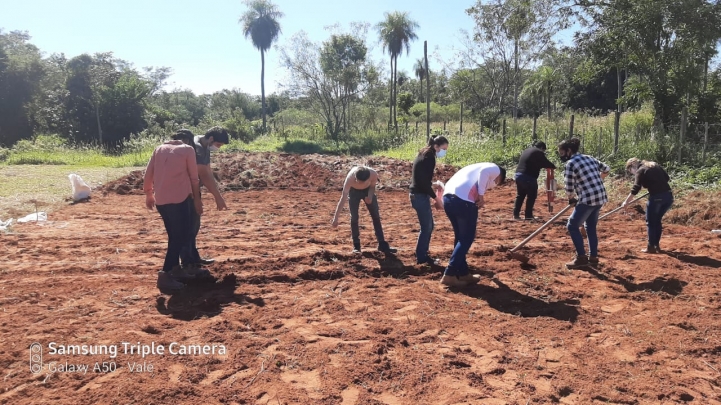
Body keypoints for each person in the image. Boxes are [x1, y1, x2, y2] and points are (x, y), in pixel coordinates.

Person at [143, 130, 206, 292]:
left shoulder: (158, 149)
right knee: (181, 236)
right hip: (180, 200)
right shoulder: (187, 150)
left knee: (174, 235)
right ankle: (165, 274)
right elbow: (194, 178)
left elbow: (148, 174)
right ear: (186, 140)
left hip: (161, 201)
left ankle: (176, 269)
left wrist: (149, 194)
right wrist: (197, 201)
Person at [440, 163, 506, 287]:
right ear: (500, 177)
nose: (494, 184)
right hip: (462, 200)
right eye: (497, 182)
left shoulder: (472, 170)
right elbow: (485, 172)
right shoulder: (494, 168)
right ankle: (449, 274)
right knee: (466, 239)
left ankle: (463, 272)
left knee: (460, 237)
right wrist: (481, 195)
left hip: (449, 199)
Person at [557, 138, 610, 269]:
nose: (561, 156)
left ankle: (581, 258)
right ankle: (593, 257)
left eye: (562, 152)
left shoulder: (571, 163)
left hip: (588, 199)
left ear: (569, 150)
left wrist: (571, 198)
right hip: (600, 196)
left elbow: (568, 186)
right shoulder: (589, 157)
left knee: (572, 225)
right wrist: (597, 180)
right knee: (590, 227)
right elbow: (606, 169)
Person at [184, 126, 230, 269]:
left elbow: (208, 171)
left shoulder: (204, 145)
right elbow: (202, 175)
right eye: (218, 145)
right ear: (211, 139)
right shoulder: (196, 147)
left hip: (193, 187)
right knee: (188, 226)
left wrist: (217, 194)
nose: (218, 148)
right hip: (184, 190)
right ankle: (187, 262)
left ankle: (193, 258)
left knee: (194, 224)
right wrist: (217, 197)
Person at [331, 166, 397, 254]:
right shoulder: (350, 178)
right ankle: (356, 246)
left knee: (376, 216)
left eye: (363, 182)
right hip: (353, 192)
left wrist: (370, 196)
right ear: (355, 177)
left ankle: (382, 244)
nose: (361, 183)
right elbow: (343, 198)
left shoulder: (373, 174)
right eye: (359, 182)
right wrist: (336, 218)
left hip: (367, 190)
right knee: (354, 218)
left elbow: (372, 187)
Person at [409, 135, 449, 265]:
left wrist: (433, 186)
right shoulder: (429, 158)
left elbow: (422, 180)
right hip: (419, 196)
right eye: (443, 148)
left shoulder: (424, 154)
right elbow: (422, 183)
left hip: (418, 194)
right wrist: (436, 198)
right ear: (436, 146)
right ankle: (422, 257)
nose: (444, 151)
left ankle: (422, 254)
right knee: (427, 227)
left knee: (429, 226)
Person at [621, 158, 673, 253]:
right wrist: (652, 185)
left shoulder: (640, 170)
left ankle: (651, 247)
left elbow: (636, 188)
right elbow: (666, 178)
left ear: (632, 166)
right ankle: (656, 246)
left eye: (630, 171)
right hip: (668, 197)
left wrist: (626, 202)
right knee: (657, 221)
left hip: (657, 198)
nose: (632, 173)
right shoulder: (654, 165)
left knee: (650, 222)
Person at [513, 141, 556, 220]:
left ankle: (516, 215)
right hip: (528, 177)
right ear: (542, 148)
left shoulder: (527, 150)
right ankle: (528, 216)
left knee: (520, 195)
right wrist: (553, 166)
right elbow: (546, 163)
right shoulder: (539, 152)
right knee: (531, 196)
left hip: (518, 175)